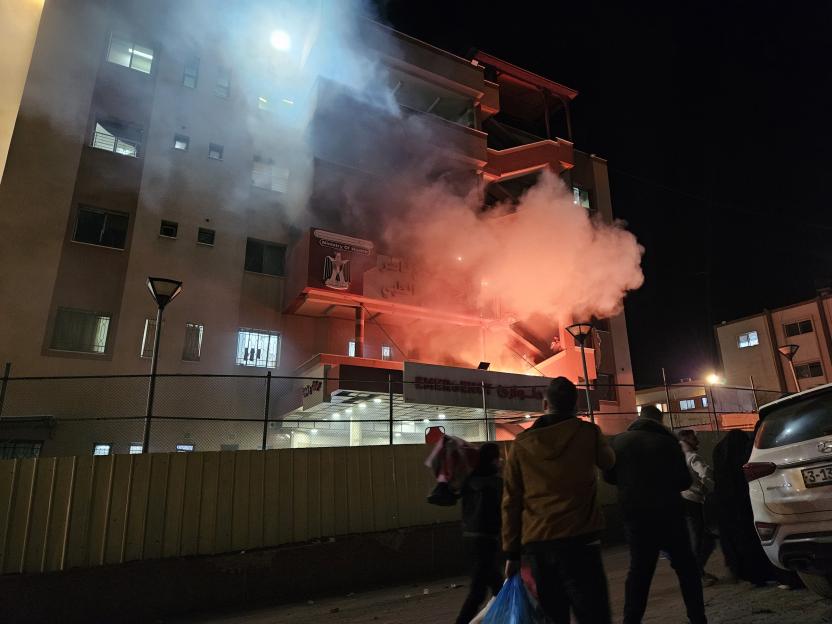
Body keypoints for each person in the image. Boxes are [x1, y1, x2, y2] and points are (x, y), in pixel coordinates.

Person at [502, 376, 615, 624]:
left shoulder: (521, 444)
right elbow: (609, 462)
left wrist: (511, 553)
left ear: (545, 404)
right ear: (576, 405)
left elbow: (511, 502)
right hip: (581, 542)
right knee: (594, 615)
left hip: (539, 546)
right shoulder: (588, 433)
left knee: (553, 617)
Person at [604, 406, 707, 624]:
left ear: (639, 418)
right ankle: (698, 618)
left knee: (639, 571)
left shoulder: (618, 441)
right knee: (686, 569)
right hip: (669, 514)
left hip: (635, 516)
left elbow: (609, 477)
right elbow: (684, 481)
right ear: (659, 420)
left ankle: (631, 620)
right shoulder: (668, 442)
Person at [713, 429, 799, 587]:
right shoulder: (745, 455)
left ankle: (751, 575)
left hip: (727, 506)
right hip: (747, 503)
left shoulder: (721, 458)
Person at [455, 442, 504, 624]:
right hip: (486, 540)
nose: (500, 461)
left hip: (469, 539)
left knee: (498, 587)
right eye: (498, 458)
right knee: (479, 592)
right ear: (492, 460)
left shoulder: (468, 481)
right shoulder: (495, 483)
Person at [677, 429, 717, 586]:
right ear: (685, 441)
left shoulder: (679, 458)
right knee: (701, 539)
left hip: (684, 500)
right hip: (694, 501)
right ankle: (697, 574)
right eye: (693, 438)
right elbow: (705, 473)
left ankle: (698, 572)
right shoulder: (693, 457)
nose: (696, 441)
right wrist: (714, 487)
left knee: (698, 538)